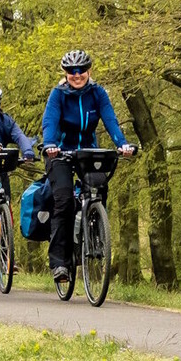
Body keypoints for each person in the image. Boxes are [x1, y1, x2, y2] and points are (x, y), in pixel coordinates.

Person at [40, 50, 134, 284]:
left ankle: (96, 233)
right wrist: (50, 144)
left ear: (89, 71)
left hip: (87, 151)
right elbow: (50, 121)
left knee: (99, 190)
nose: (77, 74)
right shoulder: (58, 94)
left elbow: (110, 119)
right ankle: (60, 263)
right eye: (72, 71)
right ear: (65, 73)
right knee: (62, 201)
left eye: (81, 70)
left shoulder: (98, 92)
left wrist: (122, 144)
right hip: (60, 152)